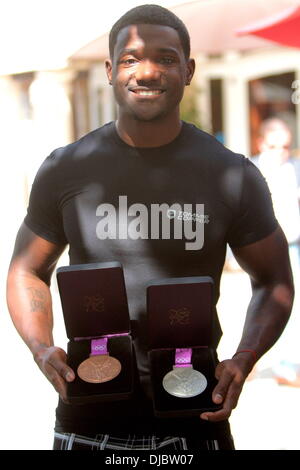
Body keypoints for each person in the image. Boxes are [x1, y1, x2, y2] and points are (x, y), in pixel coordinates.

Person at [6, 4, 294, 451]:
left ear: (189, 69)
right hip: (88, 417)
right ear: (109, 70)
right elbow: (26, 270)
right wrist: (41, 349)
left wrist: (244, 358)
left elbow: (274, 280)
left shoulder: (231, 174)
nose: (147, 72)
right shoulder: (67, 168)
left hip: (195, 419)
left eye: (165, 58)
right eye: (130, 58)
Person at [252, 118, 300, 384]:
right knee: (253, 304)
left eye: (286, 146)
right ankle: (249, 359)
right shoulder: (250, 171)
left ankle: (286, 366)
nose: (280, 151)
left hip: (291, 247)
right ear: (261, 143)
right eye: (274, 146)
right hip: (255, 250)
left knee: (287, 304)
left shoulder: (295, 168)